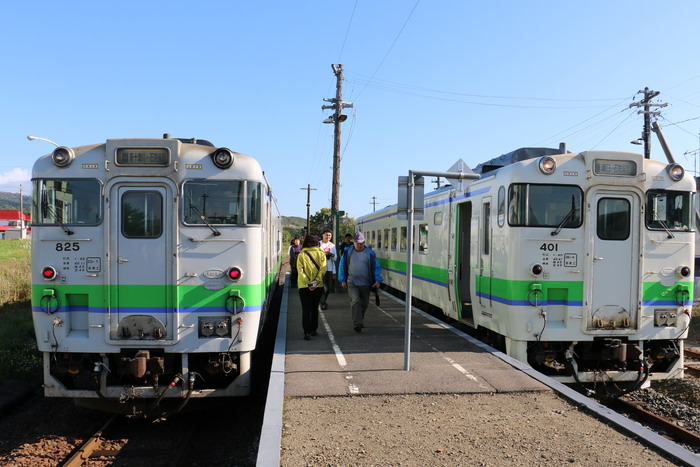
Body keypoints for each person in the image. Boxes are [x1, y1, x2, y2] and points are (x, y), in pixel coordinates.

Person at [338, 231, 383, 333]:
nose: (359, 245)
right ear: (353, 242)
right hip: (351, 281)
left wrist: (378, 280)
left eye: (361, 243)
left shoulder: (370, 253)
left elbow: (376, 267)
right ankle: (357, 323)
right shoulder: (347, 252)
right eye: (357, 243)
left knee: (365, 303)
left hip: (366, 282)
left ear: (364, 242)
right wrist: (342, 280)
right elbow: (342, 266)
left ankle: (359, 319)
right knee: (355, 301)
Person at [296, 234, 326, 340]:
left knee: (306, 309)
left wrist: (308, 283)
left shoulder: (301, 255)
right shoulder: (321, 253)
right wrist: (316, 282)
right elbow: (323, 269)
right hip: (318, 286)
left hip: (304, 286)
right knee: (314, 308)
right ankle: (313, 330)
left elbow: (300, 271)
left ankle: (306, 332)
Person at [318, 229, 337, 310]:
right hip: (319, 269)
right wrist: (323, 254)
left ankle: (322, 300)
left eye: (329, 235)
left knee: (328, 287)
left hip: (329, 269)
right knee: (320, 286)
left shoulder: (332, 246)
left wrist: (331, 255)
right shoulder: (318, 244)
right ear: (322, 235)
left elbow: (335, 258)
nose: (328, 236)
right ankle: (323, 303)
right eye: (326, 235)